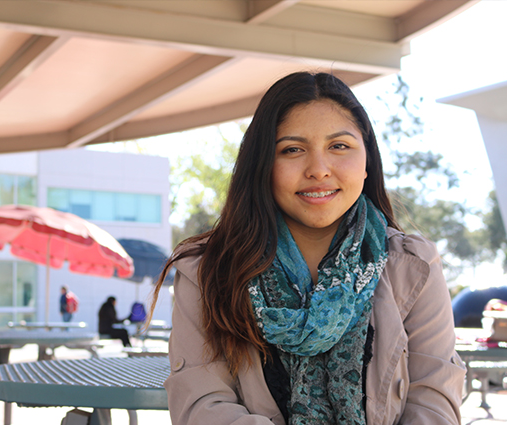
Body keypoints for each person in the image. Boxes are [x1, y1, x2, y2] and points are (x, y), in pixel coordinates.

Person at [148, 72, 466, 425]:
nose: (318, 170)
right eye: (292, 150)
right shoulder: (207, 270)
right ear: (263, 166)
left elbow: (433, 405)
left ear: (367, 161)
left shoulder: (414, 266)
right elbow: (202, 406)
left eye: (339, 146)